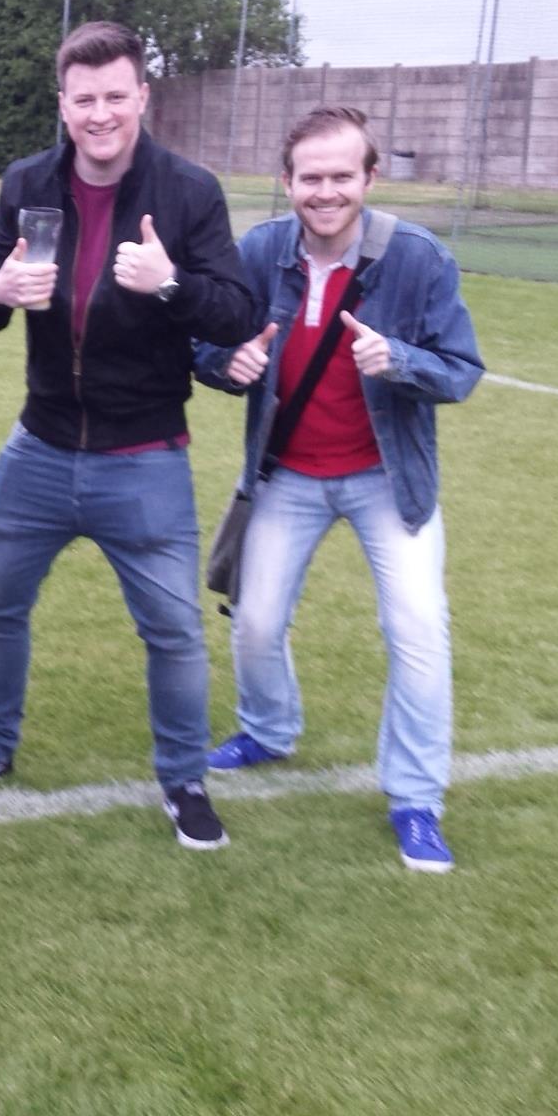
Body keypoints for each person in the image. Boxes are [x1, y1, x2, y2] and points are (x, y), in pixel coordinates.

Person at [0, 21, 259, 853]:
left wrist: (170, 284)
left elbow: (237, 312)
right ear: (63, 104)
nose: (100, 114)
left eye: (115, 96)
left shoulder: (188, 191)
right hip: (39, 446)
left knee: (173, 630)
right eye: (84, 99)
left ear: (142, 97)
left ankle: (184, 780)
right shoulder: (27, 181)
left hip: (144, 456)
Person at [194, 106, 483, 873]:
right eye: (311, 177)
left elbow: (462, 370)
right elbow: (206, 343)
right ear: (286, 182)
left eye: (342, 176)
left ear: (369, 178)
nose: (326, 192)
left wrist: (401, 361)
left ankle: (416, 798)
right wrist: (228, 364)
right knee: (255, 622)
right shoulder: (260, 252)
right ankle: (268, 729)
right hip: (286, 474)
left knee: (418, 628)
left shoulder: (417, 258)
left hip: (388, 481)